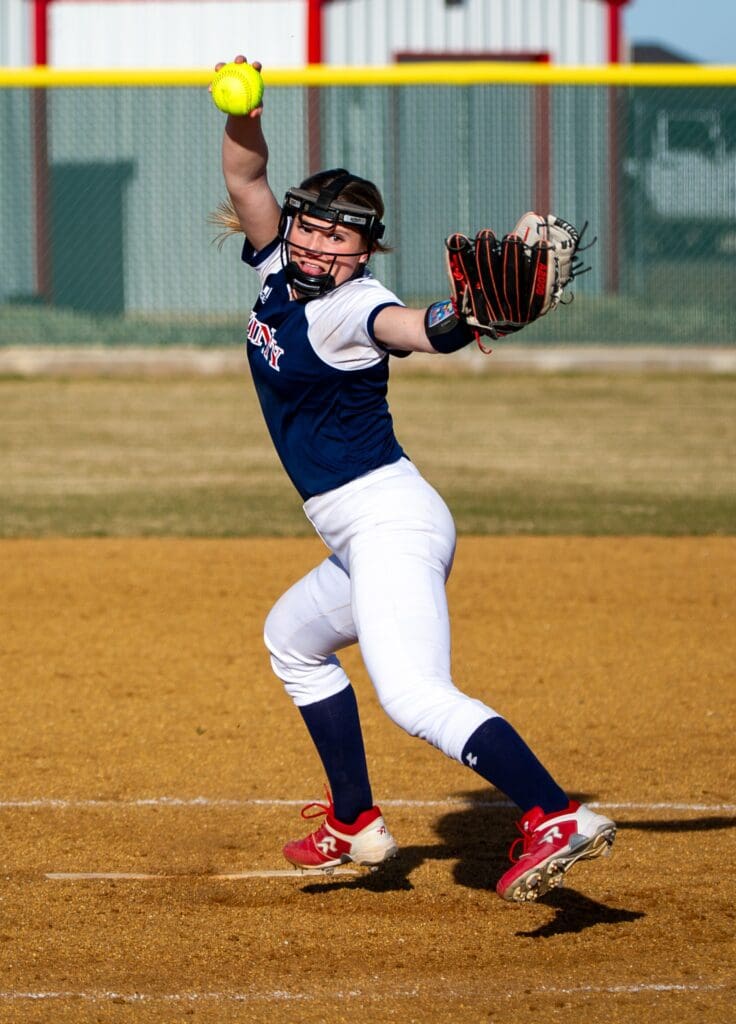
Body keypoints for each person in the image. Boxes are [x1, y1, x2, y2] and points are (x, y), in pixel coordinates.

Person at [211, 56, 616, 903]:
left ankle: (554, 812)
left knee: (415, 694)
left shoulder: (354, 305)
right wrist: (243, 109)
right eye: (311, 227)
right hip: (361, 529)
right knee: (294, 640)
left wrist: (468, 314)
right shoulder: (274, 270)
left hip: (390, 520)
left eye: (342, 236)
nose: (321, 242)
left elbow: (415, 328)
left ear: (366, 250)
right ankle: (355, 822)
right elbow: (246, 172)